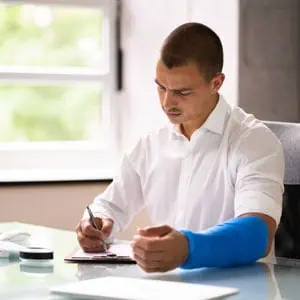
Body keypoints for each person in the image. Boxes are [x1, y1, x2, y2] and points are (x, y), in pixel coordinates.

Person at [76, 22, 284, 273]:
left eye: (182, 92)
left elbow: (258, 234)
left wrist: (189, 247)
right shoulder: (151, 145)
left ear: (216, 83)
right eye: (161, 87)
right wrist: (96, 222)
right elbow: (110, 206)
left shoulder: (253, 141)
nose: (167, 102)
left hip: (242, 291)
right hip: (169, 288)